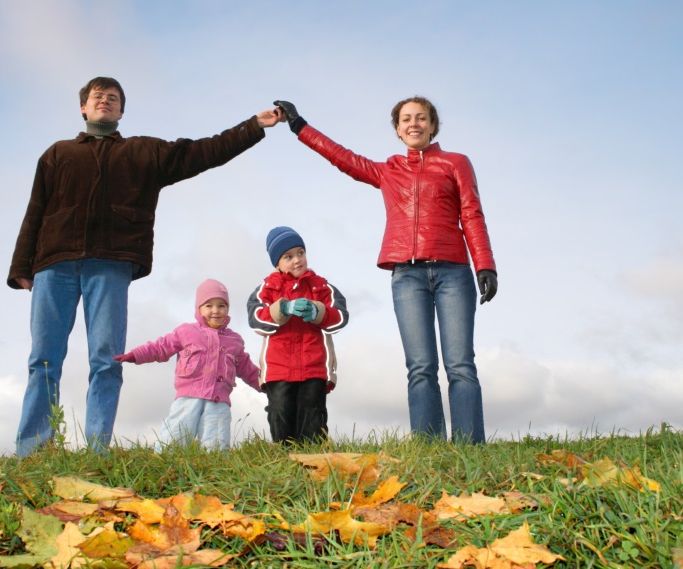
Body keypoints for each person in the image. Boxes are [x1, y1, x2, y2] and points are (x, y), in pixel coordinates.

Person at [6, 76, 280, 457]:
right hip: (54, 264)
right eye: (97, 96)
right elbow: (35, 210)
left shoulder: (142, 152)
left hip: (111, 265)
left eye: (113, 97)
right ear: (83, 107)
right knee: (44, 359)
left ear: (121, 111)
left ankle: (97, 449)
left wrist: (252, 127)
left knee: (106, 359)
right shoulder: (58, 154)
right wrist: (22, 265)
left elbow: (201, 152)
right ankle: (33, 448)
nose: (105, 100)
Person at [272, 98, 497, 444]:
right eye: (406, 119)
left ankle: (471, 447)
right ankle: (429, 448)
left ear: (433, 125)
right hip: (407, 277)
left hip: (453, 272)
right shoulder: (388, 170)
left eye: (421, 118)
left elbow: (471, 214)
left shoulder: (456, 163)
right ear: (397, 129)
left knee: (460, 365)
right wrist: (300, 126)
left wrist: (485, 265)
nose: (414, 124)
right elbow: (342, 157)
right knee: (420, 367)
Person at [114, 279, 262, 450]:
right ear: (198, 308)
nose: (216, 311)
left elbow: (248, 370)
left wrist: (268, 385)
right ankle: (165, 465)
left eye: (222, 305)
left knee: (216, 446)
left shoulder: (234, 341)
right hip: (188, 398)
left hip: (218, 402)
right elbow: (160, 347)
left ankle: (214, 472)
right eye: (209, 306)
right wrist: (136, 355)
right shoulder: (186, 332)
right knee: (174, 439)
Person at [246, 226, 348, 444]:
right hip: (278, 368)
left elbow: (340, 317)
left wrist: (318, 312)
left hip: (314, 366)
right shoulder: (267, 288)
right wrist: (282, 309)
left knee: (313, 417)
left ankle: (314, 460)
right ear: (277, 263)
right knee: (279, 413)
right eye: (288, 256)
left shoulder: (321, 286)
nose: (297, 260)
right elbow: (255, 318)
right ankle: (285, 458)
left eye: (300, 253)